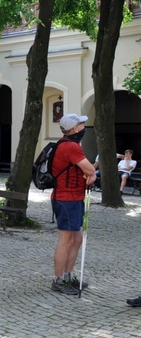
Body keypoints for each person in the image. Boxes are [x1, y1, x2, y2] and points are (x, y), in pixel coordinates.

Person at [50, 113, 96, 295]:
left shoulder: (70, 145)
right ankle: (58, 279)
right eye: (82, 124)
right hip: (66, 199)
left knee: (76, 239)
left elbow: (87, 171)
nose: (84, 127)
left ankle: (69, 275)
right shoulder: (70, 146)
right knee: (66, 240)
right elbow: (90, 168)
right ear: (75, 128)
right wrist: (90, 172)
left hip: (74, 198)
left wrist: (89, 173)